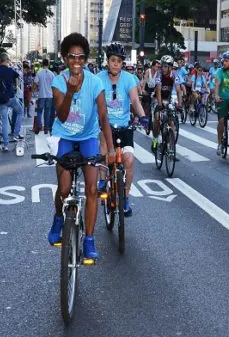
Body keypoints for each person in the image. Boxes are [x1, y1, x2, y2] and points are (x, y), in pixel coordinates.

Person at [47, 32, 115, 260]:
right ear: (65, 58)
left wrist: (111, 149)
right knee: (64, 189)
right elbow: (63, 116)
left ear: (86, 60)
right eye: (72, 57)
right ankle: (58, 218)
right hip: (65, 136)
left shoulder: (96, 82)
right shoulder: (58, 81)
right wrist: (70, 92)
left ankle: (89, 239)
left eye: (81, 57)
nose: (76, 62)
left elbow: (104, 117)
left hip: (87, 138)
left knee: (92, 189)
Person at [97, 43, 147, 217]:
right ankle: (102, 180)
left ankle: (125, 198)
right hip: (106, 125)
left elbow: (135, 100)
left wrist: (142, 117)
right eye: (113, 60)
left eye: (119, 61)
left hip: (124, 126)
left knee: (129, 161)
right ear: (108, 61)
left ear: (122, 63)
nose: (116, 64)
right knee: (104, 151)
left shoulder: (129, 79)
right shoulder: (99, 78)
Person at [0, 54, 24, 151]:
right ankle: (15, 134)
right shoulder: (9, 70)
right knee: (20, 111)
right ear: (6, 60)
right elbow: (18, 75)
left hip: (0, 99)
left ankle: (5, 145)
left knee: (4, 121)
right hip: (10, 98)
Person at [151, 55, 182, 153]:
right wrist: (160, 105)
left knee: (171, 122)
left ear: (170, 67)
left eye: (165, 66)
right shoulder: (159, 75)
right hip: (158, 98)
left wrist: (180, 104)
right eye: (162, 66)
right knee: (157, 118)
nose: (163, 68)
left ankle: (170, 145)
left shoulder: (174, 75)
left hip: (168, 99)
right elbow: (159, 90)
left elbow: (178, 90)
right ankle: (155, 139)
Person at [34, 58, 56, 134]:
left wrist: (38, 88)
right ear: (48, 64)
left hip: (41, 95)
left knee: (39, 111)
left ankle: (40, 125)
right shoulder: (52, 74)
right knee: (48, 112)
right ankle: (46, 128)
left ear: (42, 64)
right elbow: (54, 85)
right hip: (50, 95)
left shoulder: (39, 73)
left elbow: (35, 82)